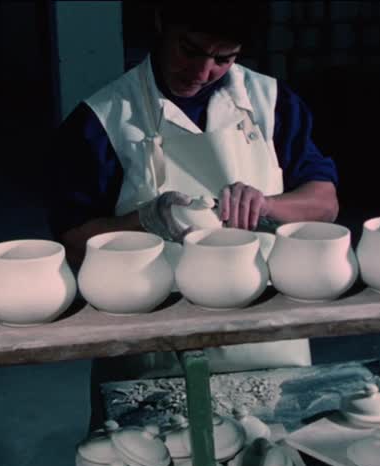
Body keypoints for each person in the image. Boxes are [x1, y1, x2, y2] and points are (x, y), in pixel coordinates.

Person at [45, 2, 340, 430]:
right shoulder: (103, 119)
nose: (202, 72)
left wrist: (268, 206)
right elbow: (72, 240)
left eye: (224, 58)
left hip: (263, 332)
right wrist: (144, 221)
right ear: (161, 22)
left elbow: (325, 203)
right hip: (152, 341)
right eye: (190, 50)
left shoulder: (272, 102)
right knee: (150, 453)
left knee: (271, 447)